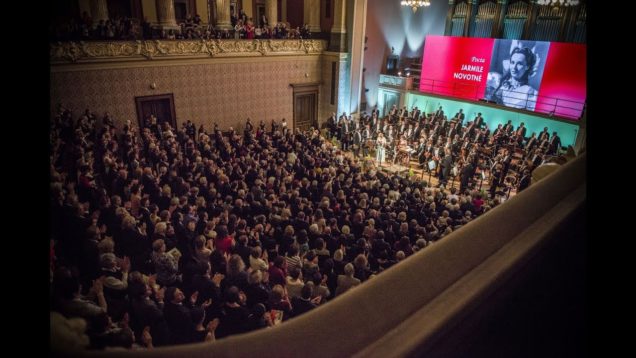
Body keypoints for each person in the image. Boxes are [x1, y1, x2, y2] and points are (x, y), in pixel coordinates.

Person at [487, 42, 540, 111]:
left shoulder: (531, 93)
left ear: (527, 66)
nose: (514, 67)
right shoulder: (497, 80)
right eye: (512, 62)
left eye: (519, 64)